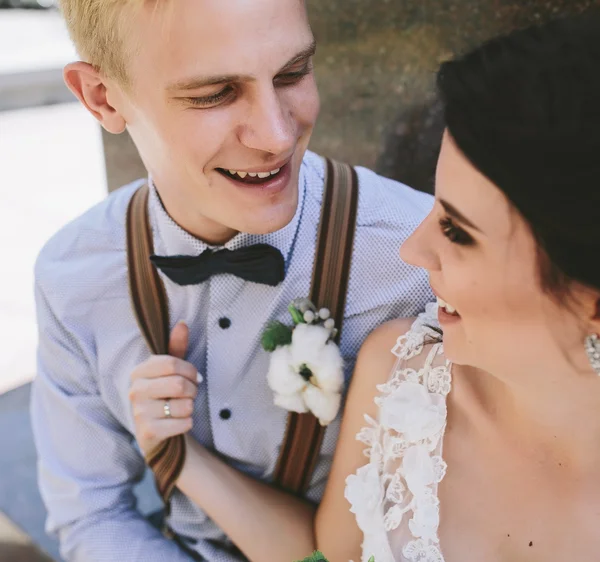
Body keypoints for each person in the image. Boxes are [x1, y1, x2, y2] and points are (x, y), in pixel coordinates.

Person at [131, 10, 600, 562]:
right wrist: (180, 455)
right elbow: (326, 556)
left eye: (457, 231)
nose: (412, 249)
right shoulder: (404, 377)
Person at [30, 0, 434, 560]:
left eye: (293, 73)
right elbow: (92, 513)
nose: (275, 135)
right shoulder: (72, 276)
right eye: (213, 94)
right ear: (102, 97)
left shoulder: (419, 257)